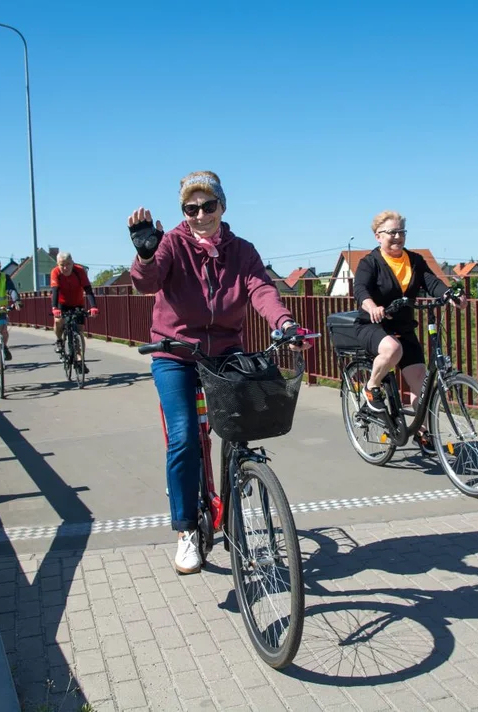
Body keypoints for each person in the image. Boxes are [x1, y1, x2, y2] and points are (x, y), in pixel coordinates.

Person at [128, 170, 302, 575]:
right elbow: (146, 282)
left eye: (209, 205)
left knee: (242, 428)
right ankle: (186, 530)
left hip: (225, 353)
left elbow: (261, 289)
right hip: (174, 353)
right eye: (192, 208)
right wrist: (147, 255)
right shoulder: (172, 242)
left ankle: (240, 479)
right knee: (186, 438)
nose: (201, 214)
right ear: (183, 212)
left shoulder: (241, 250)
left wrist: (285, 324)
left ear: (222, 206)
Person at [353, 210, 458, 454]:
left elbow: (432, 283)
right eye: (392, 232)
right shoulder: (370, 263)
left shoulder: (415, 260)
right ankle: (372, 387)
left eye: (401, 232)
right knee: (392, 348)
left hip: (402, 327)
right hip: (373, 325)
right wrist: (372, 307)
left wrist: (450, 294)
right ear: (378, 236)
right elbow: (360, 290)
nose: (398, 237)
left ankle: (421, 432)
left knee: (420, 381)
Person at [50, 251, 99, 373]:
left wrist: (93, 306)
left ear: (72, 263)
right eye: (62, 265)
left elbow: (88, 290)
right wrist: (55, 308)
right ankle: (59, 340)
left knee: (79, 332)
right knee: (58, 321)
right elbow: (55, 291)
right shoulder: (55, 272)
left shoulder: (79, 271)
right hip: (62, 303)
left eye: (68, 264)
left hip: (77, 303)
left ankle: (80, 360)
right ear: (58, 264)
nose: (65, 267)